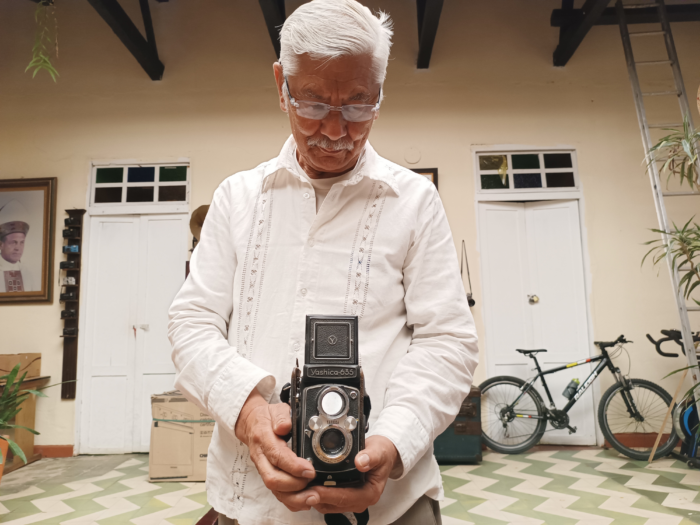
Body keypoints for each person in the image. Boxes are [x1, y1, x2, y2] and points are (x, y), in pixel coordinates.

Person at [168, 1, 479, 524]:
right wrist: (249, 413)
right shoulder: (237, 198)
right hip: (254, 504)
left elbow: (447, 340)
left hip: (392, 507)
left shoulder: (414, 201)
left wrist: (391, 441)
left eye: (358, 106)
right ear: (280, 84)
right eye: (312, 104)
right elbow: (191, 323)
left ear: (380, 92)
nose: (335, 131)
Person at [0, 200, 35, 293]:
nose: (18, 248)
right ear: (1, 245)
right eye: (13, 242)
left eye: (22, 242)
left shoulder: (27, 274)